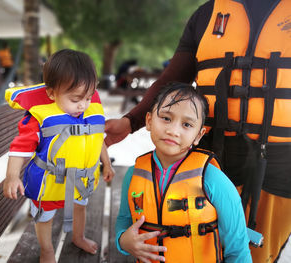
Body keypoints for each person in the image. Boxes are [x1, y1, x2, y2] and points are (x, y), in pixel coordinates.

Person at [105, 1, 291, 262]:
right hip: (213, 153)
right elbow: (172, 82)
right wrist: (131, 121)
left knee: (258, 253)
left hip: (282, 164)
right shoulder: (206, 15)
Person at [115, 82, 252, 262]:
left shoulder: (212, 179)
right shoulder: (134, 175)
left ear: (198, 135)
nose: (173, 131)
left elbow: (238, 249)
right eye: (166, 118)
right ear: (149, 121)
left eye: (187, 124)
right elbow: (124, 220)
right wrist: (123, 242)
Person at [3, 49, 115, 262]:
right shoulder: (38, 118)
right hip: (49, 182)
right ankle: (47, 250)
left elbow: (97, 138)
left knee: (80, 208)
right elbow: (19, 148)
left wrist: (106, 163)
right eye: (75, 99)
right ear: (52, 93)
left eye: (88, 97)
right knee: (44, 218)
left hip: (81, 179)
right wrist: (12, 176)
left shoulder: (90, 111)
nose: (83, 105)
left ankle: (78, 237)